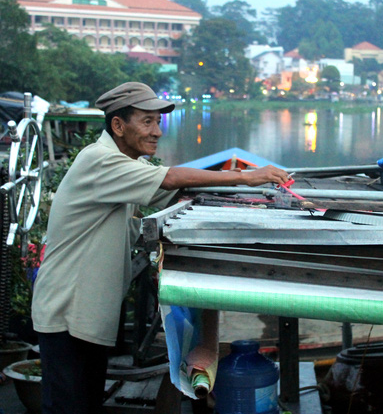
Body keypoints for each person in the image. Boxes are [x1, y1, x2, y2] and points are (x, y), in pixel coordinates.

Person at [31, 82, 289, 414]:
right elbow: (169, 179)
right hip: (67, 311)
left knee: (86, 404)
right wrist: (244, 176)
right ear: (118, 126)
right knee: (69, 408)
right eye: (147, 121)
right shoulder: (98, 160)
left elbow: (172, 189)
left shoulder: (127, 166)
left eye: (158, 122)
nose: (157, 132)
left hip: (87, 312)